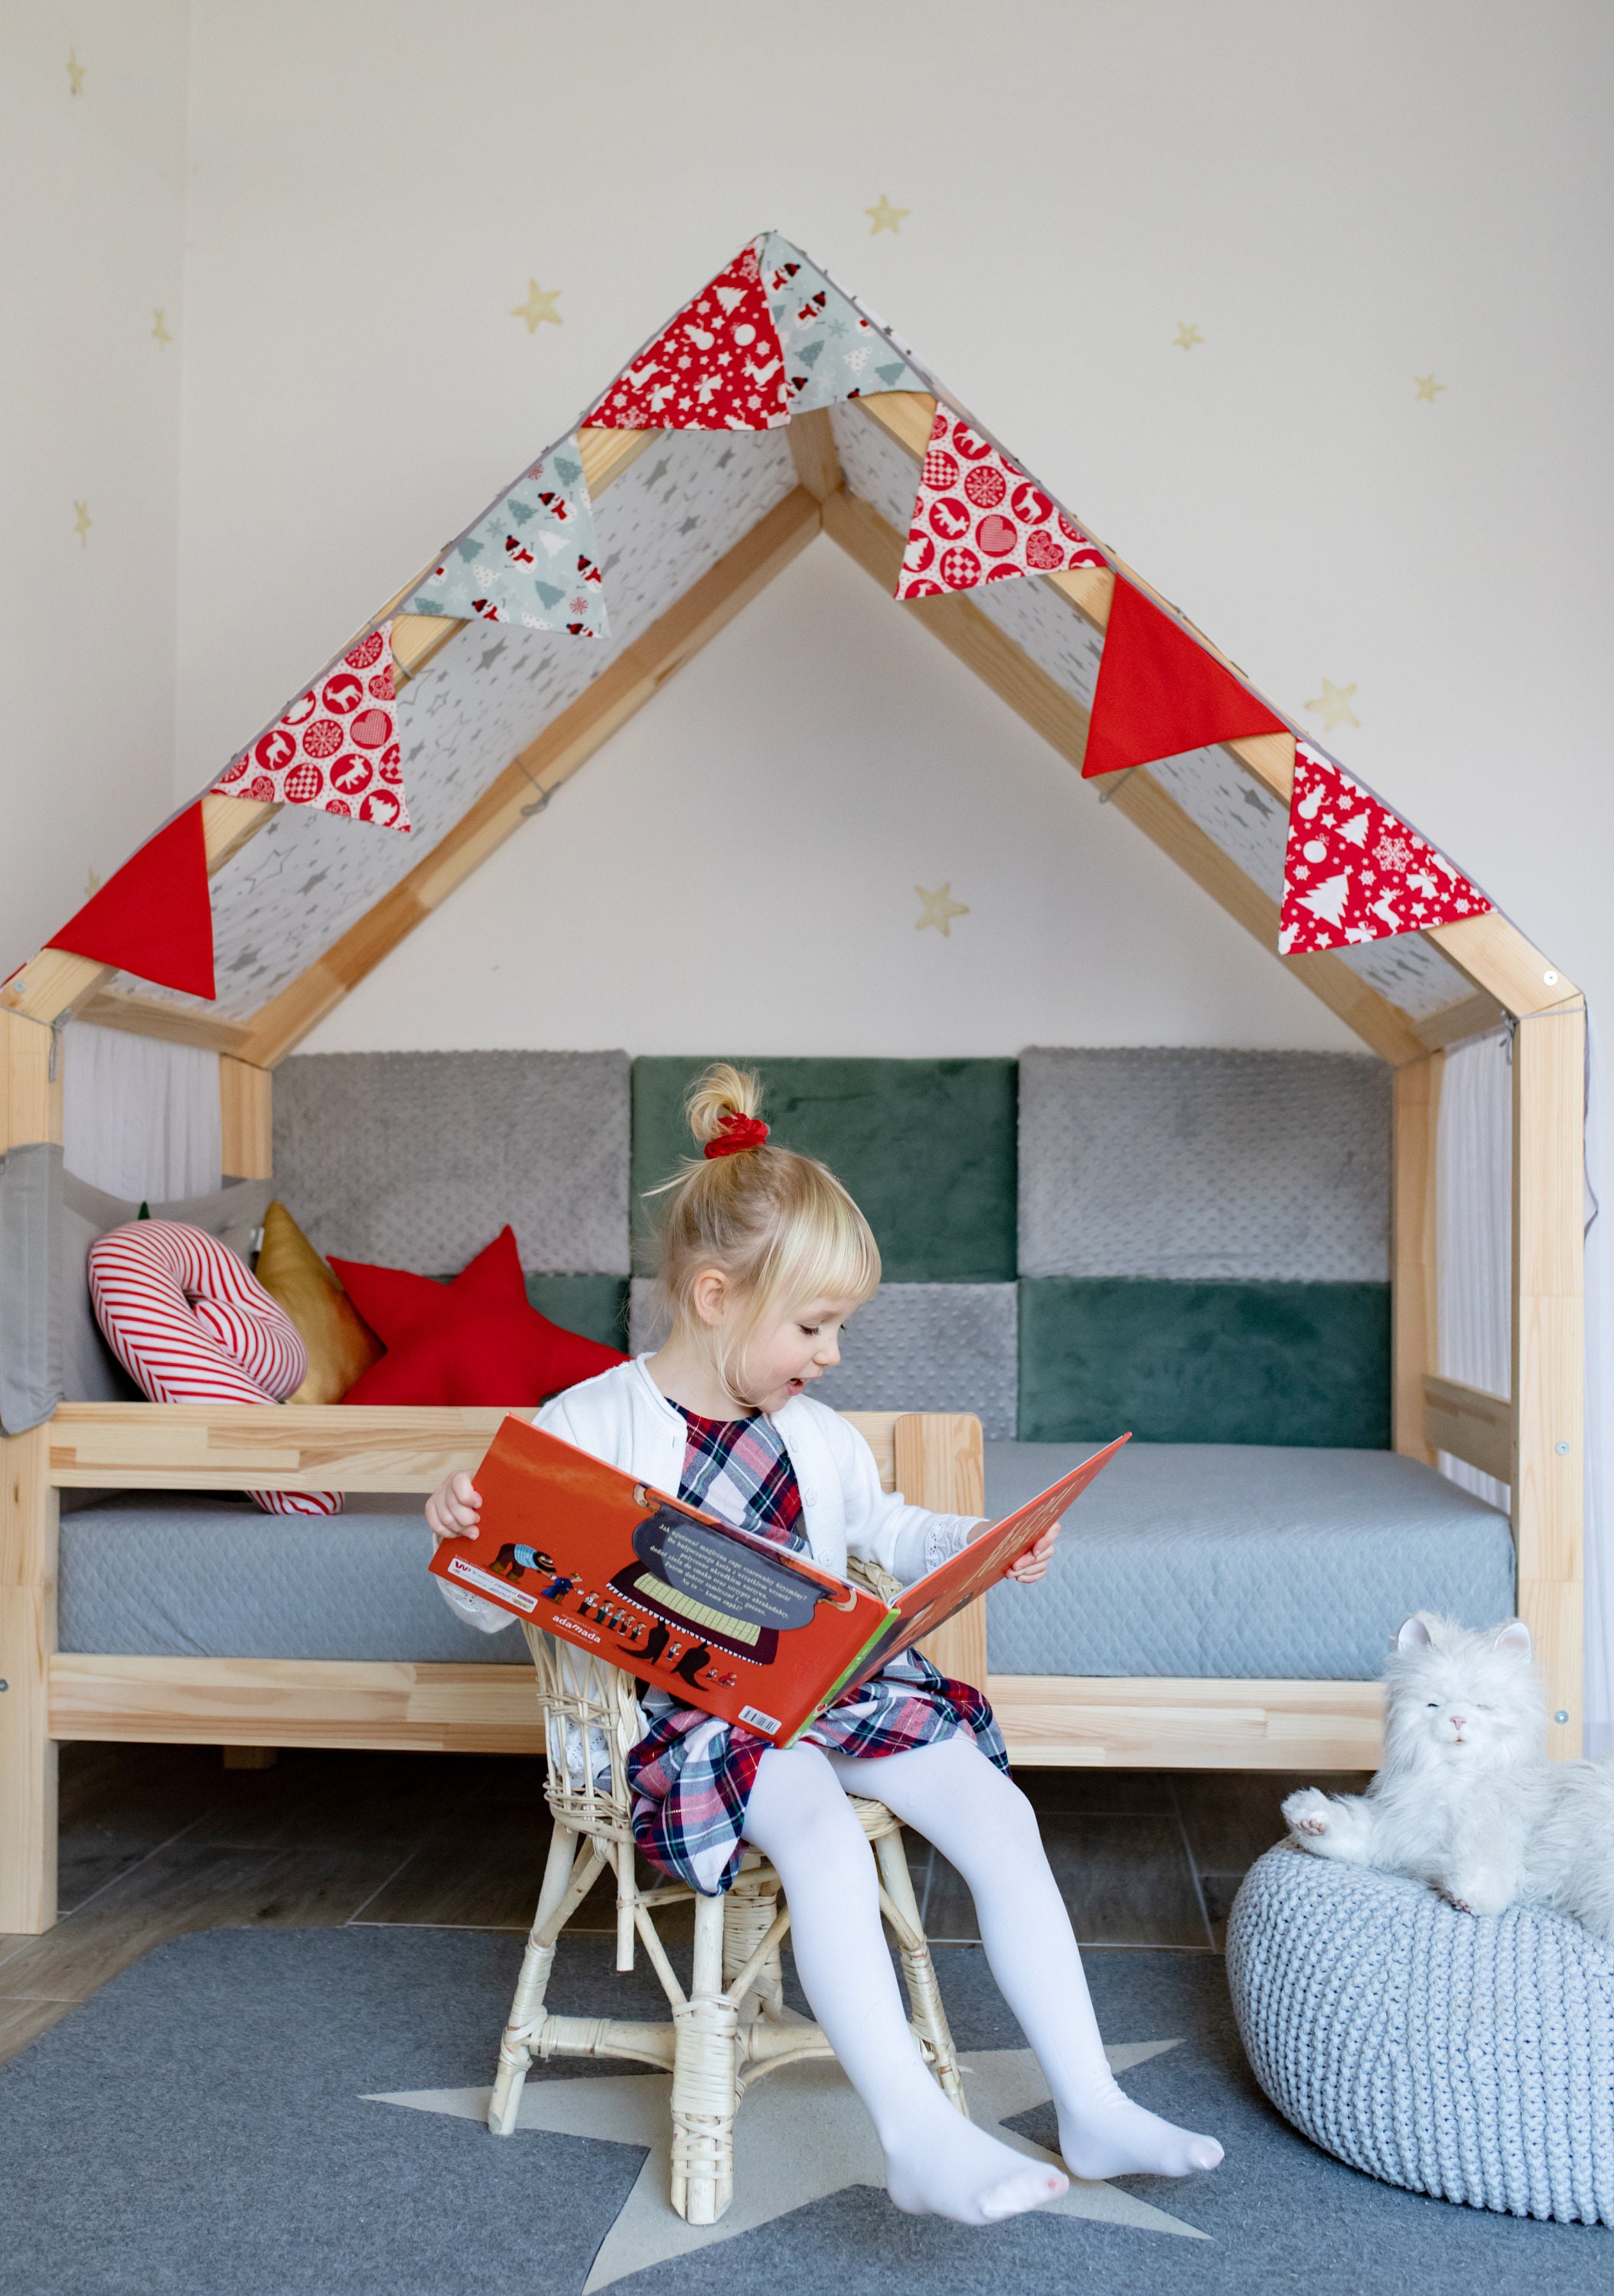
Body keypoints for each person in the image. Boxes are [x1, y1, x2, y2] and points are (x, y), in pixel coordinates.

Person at [428, 1065, 1222, 2226]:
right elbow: (490, 1600)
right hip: (687, 1721)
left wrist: (981, 1541)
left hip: (826, 1689)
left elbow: (883, 1533)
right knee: (817, 1831)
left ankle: (1091, 2101)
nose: (832, 1353)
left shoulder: (815, 1434)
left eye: (836, 1327)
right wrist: (460, 1528)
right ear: (713, 1296)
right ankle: (914, 2134)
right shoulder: (592, 1423)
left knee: (999, 1814)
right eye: (813, 1326)